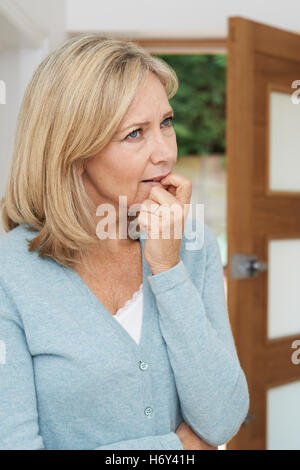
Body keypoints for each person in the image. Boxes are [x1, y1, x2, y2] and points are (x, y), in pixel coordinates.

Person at [0, 34, 249, 450]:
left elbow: (223, 417)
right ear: (73, 151)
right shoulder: (10, 273)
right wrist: (178, 448)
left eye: (165, 124)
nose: (165, 154)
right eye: (135, 133)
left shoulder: (192, 243)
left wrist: (168, 269)